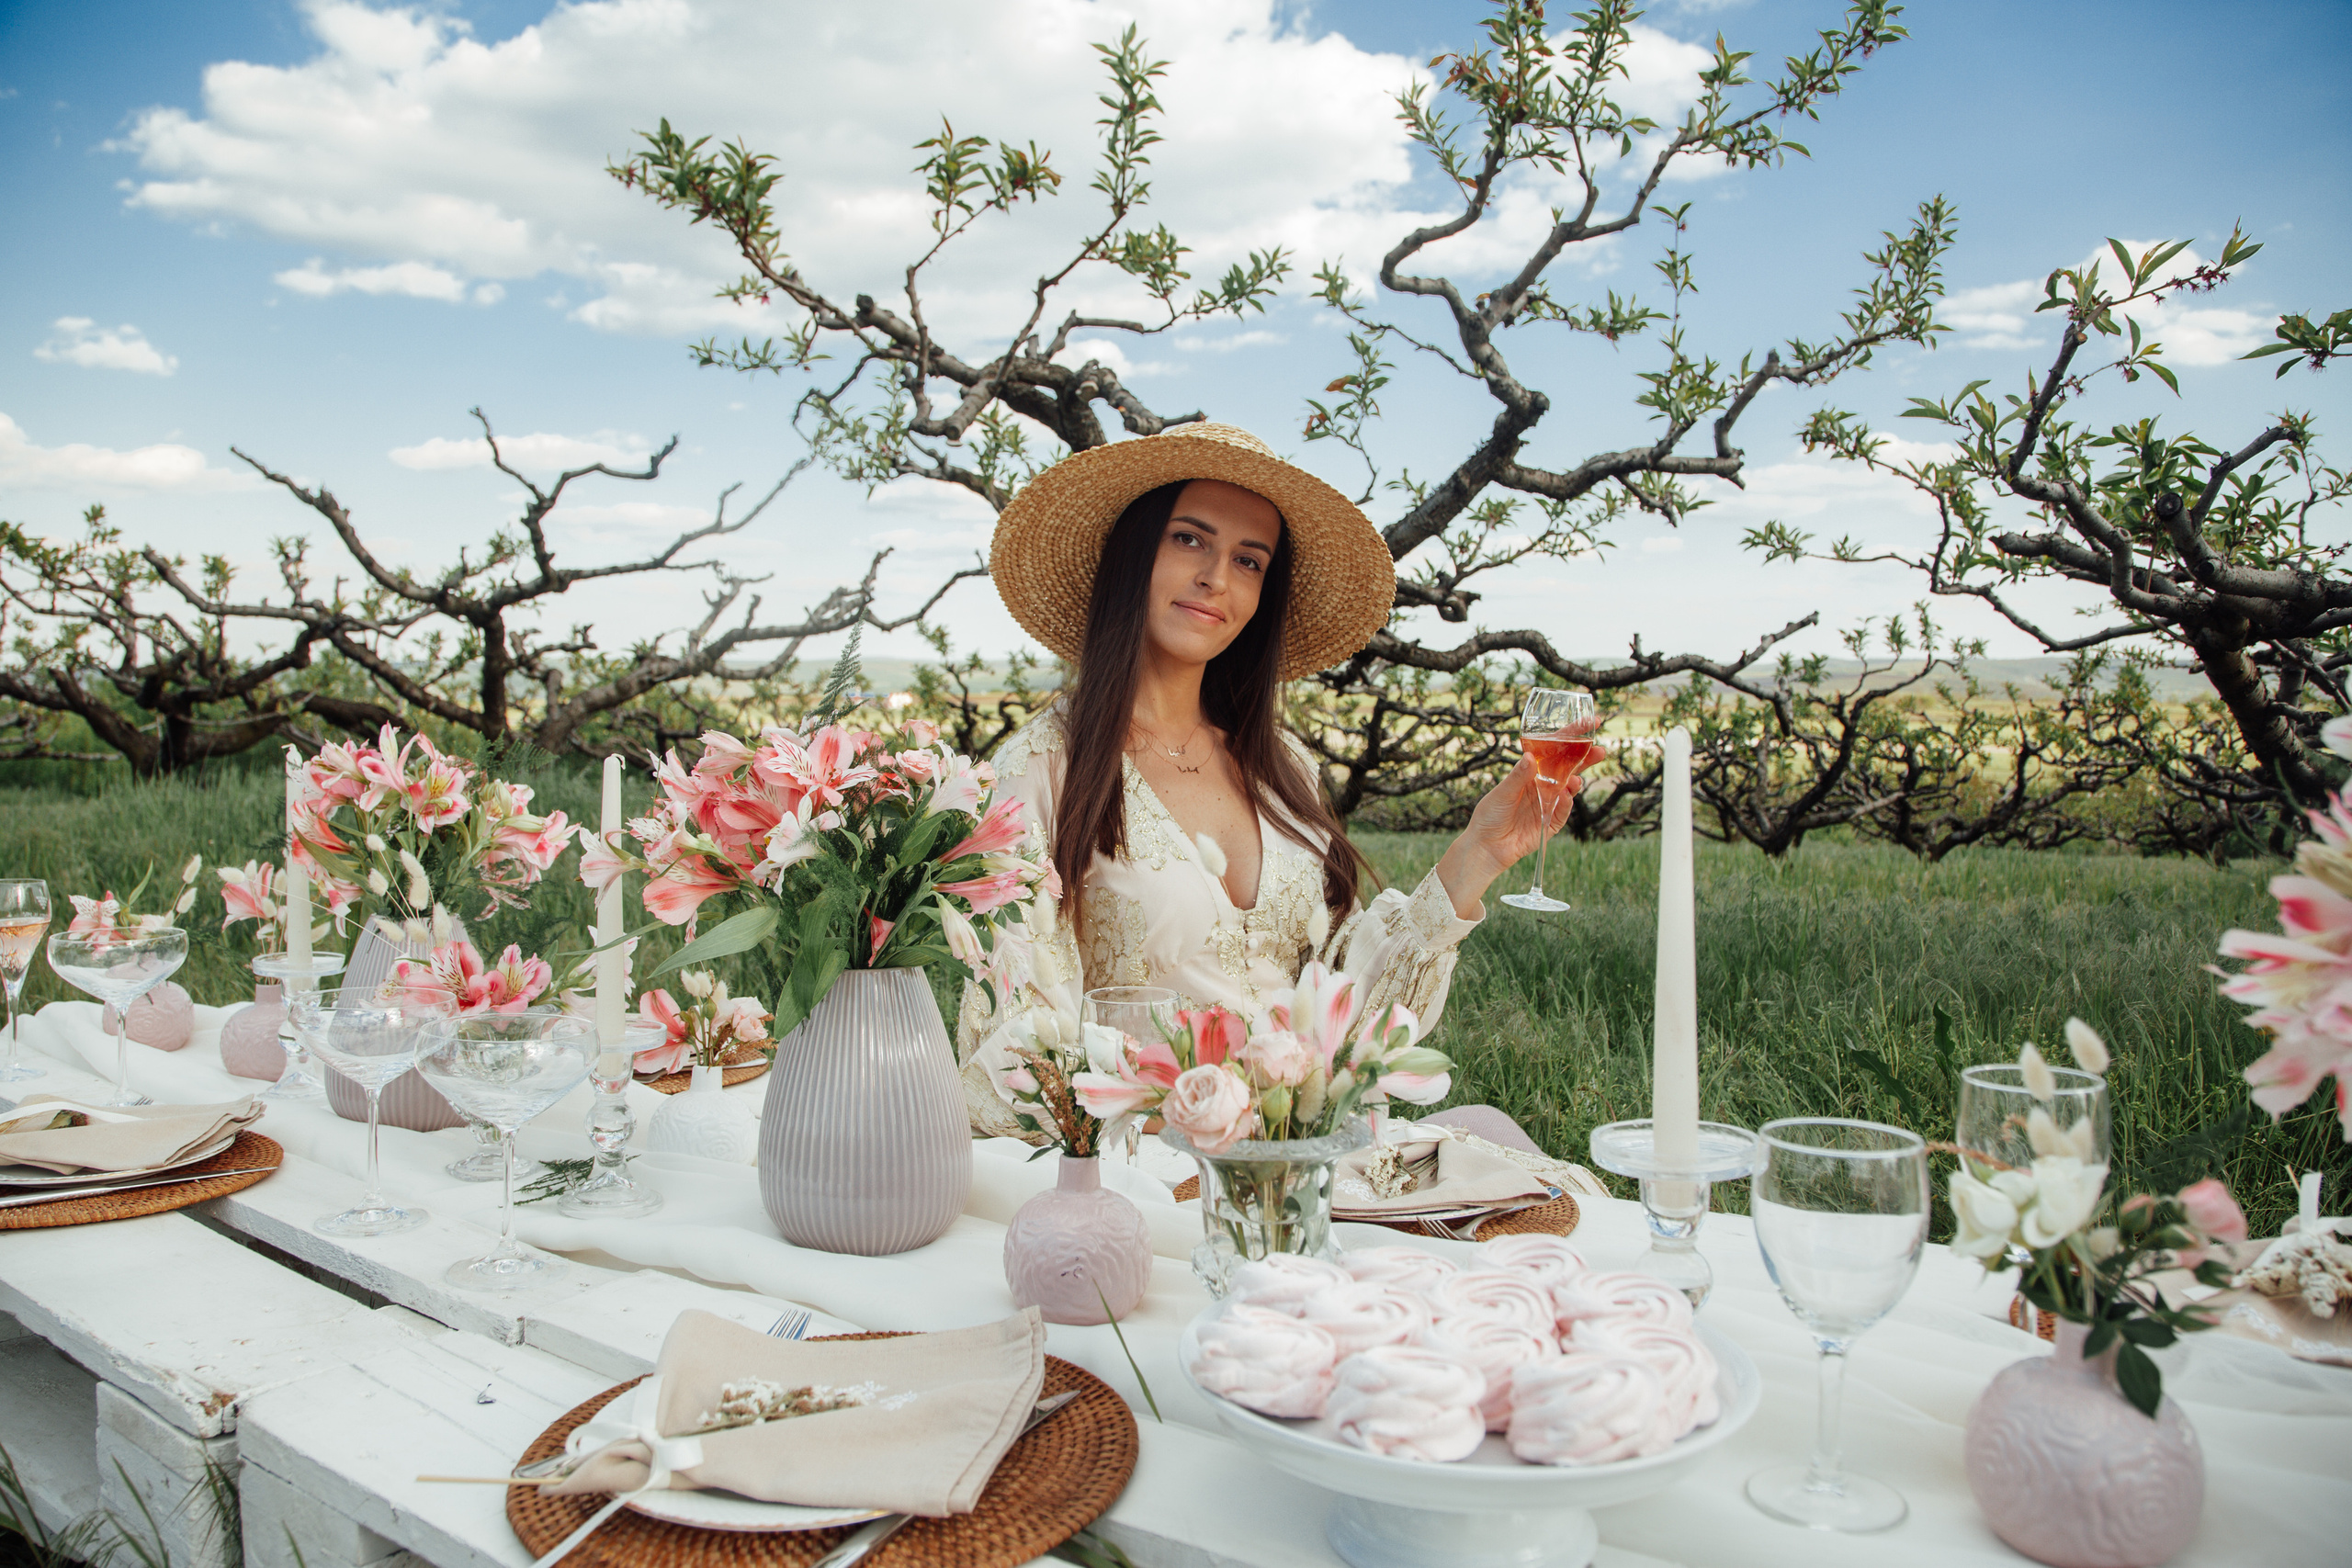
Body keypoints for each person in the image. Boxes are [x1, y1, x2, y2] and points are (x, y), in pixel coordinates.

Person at [961, 423, 1587, 1148]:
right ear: (1132, 553)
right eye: (1189, 539)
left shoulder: (1280, 765)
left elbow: (1351, 1016)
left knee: (1506, 1148)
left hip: (1311, 1160)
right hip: (1152, 1175)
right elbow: (1021, 1045)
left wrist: (1479, 853)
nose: (1217, 578)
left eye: (1249, 560)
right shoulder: (1036, 772)